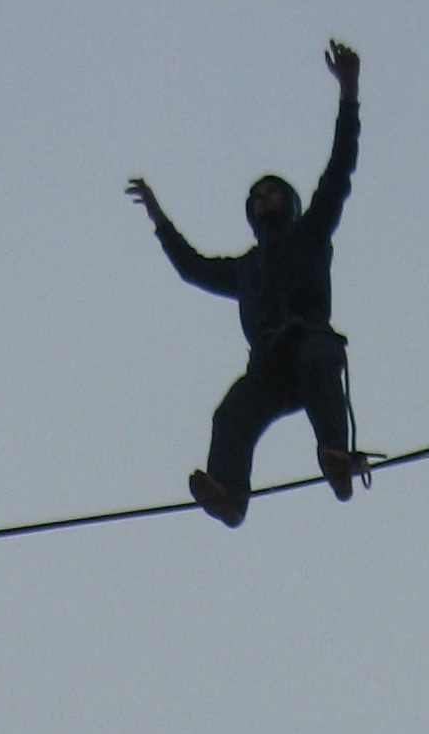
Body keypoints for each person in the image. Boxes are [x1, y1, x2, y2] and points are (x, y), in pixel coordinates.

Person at [127, 42, 366, 528]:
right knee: (232, 415)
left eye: (273, 192)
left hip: (309, 347)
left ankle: (336, 458)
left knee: (320, 360)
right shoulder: (245, 269)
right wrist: (157, 217)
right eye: (256, 197)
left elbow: (339, 169)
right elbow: (192, 267)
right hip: (270, 367)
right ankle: (230, 497)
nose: (263, 200)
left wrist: (349, 91)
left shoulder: (311, 232)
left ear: (292, 204)